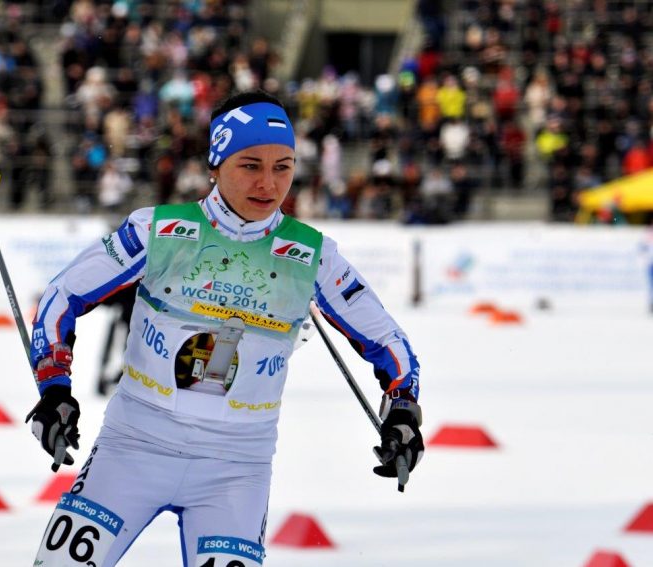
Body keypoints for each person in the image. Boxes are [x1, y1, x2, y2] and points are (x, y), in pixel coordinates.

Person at [25, 90, 424, 567]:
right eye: (250, 165)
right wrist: (54, 388)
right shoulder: (160, 231)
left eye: (283, 166)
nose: (269, 183)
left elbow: (388, 341)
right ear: (215, 164)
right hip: (134, 447)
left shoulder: (313, 256)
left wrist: (402, 410)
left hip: (236, 467)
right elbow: (61, 297)